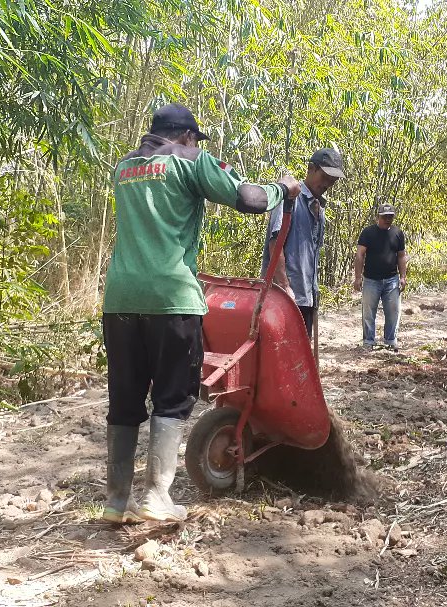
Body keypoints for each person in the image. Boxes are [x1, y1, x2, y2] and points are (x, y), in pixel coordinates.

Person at [102, 103, 301, 523]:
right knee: (172, 399)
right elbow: (250, 199)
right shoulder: (191, 160)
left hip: (120, 299)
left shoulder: (124, 167)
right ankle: (157, 496)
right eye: (194, 139)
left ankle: (116, 501)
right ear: (187, 136)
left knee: (124, 401)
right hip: (171, 299)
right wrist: (283, 187)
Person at [260, 148, 346, 335]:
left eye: (333, 180)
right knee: (282, 357)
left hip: (306, 298)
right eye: (325, 177)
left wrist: (313, 296)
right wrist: (285, 286)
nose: (328, 184)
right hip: (284, 298)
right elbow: (275, 244)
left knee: (298, 358)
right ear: (311, 169)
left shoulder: (318, 208)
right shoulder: (290, 198)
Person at [353, 203, 408, 350]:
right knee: (368, 312)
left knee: (393, 311)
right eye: (385, 217)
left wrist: (403, 277)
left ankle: (390, 340)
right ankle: (368, 342)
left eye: (390, 217)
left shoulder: (398, 233)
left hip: (391, 279)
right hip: (371, 279)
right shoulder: (368, 232)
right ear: (378, 217)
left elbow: (401, 256)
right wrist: (358, 277)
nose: (388, 219)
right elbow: (359, 255)